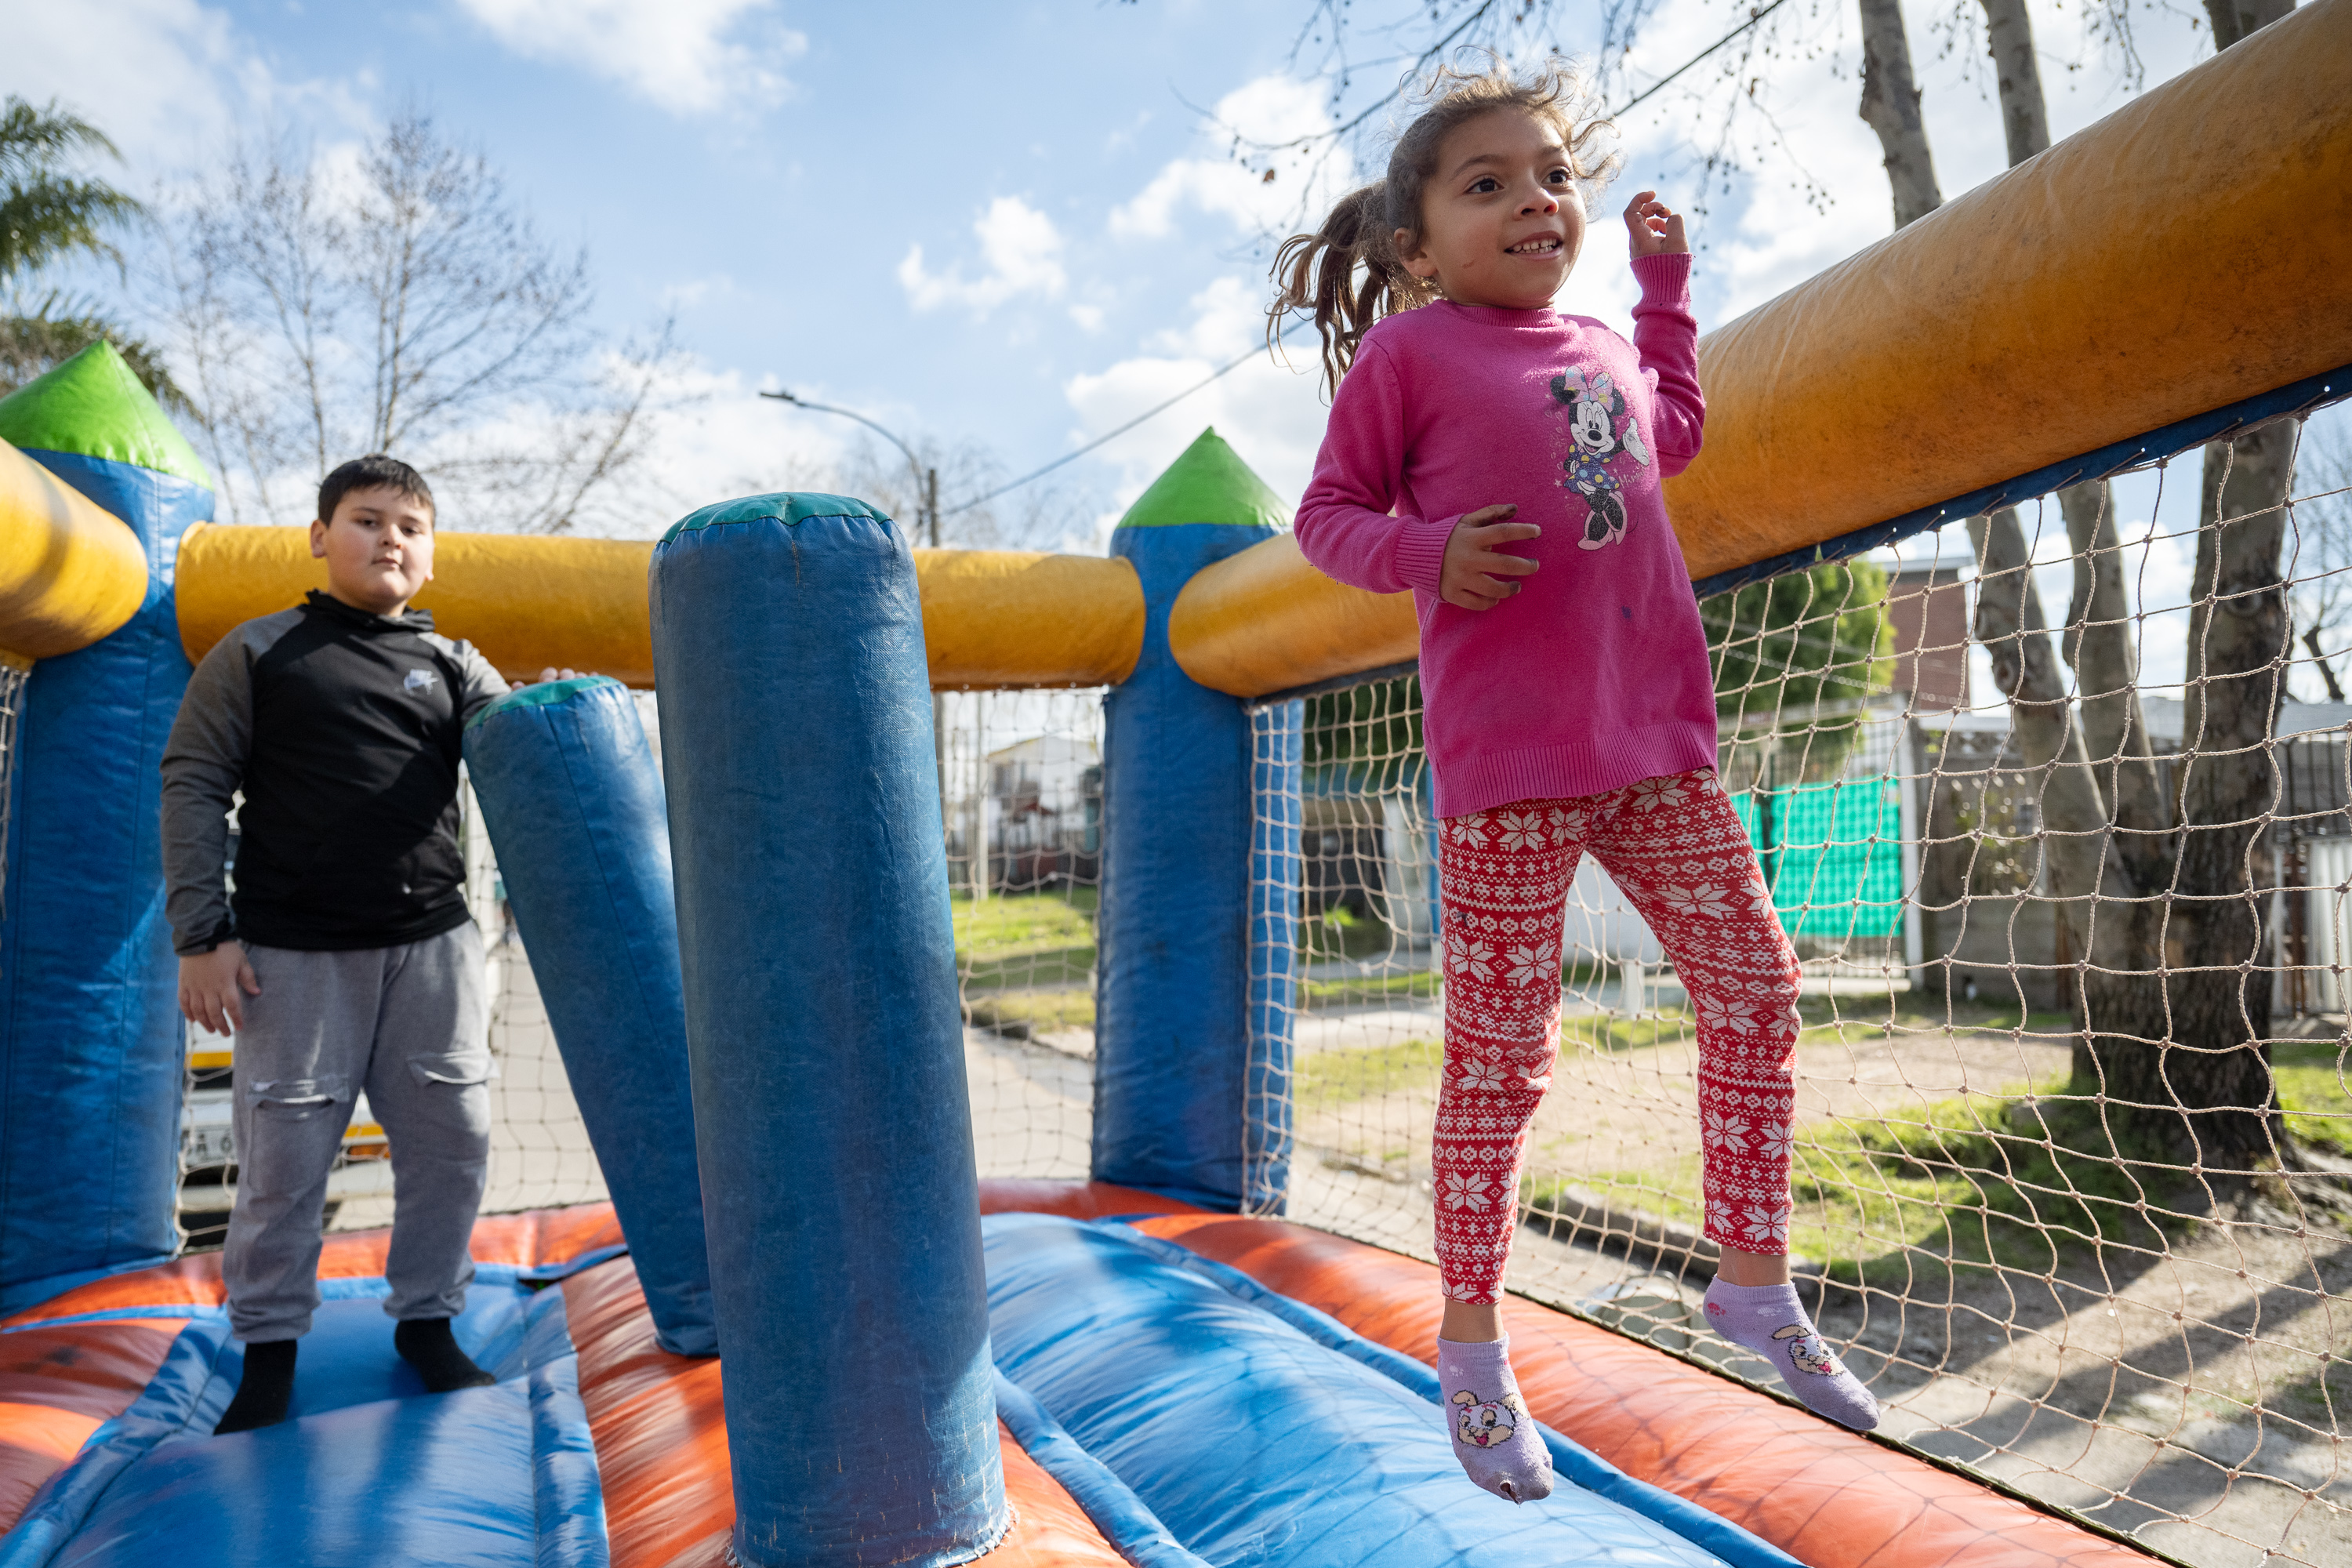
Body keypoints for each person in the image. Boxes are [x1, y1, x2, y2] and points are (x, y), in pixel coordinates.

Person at [1276, 62, 1881, 1503]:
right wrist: (1427, 554)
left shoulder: (1602, 341)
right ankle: (1472, 1346)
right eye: (1488, 185)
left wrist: (1666, 295)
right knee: (1503, 1058)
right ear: (1418, 245)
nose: (1536, 200)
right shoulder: (1411, 355)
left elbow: (1671, 436)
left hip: (1654, 741)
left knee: (1757, 983)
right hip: (1511, 770)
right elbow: (1327, 515)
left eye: (1552, 176)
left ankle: (1751, 1280)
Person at [162, 454, 510, 1434]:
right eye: (366, 519)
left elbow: (523, 743)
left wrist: (555, 707)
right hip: (294, 953)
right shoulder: (259, 651)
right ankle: (268, 1351)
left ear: (431, 555)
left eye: (410, 526)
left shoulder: (455, 662)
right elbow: (193, 781)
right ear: (320, 537)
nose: (389, 538)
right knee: (284, 1160)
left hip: (430, 947)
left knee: (453, 1142)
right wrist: (202, 933)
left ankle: (428, 1322)